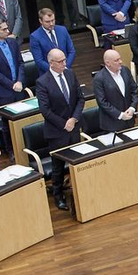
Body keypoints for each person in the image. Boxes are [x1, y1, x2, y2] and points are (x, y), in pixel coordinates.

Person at [36, 49, 85, 211]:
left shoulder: (70, 74)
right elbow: (45, 110)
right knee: (58, 167)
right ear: (51, 63)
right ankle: (58, 195)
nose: (65, 63)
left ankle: (79, 191)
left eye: (64, 60)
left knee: (76, 161)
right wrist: (64, 123)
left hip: (74, 127)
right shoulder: (43, 82)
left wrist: (73, 119)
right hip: (57, 131)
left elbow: (80, 99)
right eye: (60, 61)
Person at [93, 49, 138, 132]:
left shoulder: (125, 70)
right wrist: (120, 115)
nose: (120, 62)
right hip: (112, 124)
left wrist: (132, 108)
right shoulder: (99, 78)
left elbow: (134, 90)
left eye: (120, 58)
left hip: (129, 120)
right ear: (108, 63)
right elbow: (102, 102)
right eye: (116, 60)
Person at [0, 20, 27, 106]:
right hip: (4, 92)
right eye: (4, 29)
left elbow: (20, 63)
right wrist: (12, 85)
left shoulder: (13, 42)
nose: (7, 31)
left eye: (7, 28)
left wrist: (19, 81)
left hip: (19, 87)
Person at [29, 8, 75, 77]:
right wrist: (55, 71)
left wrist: (65, 67)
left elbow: (71, 51)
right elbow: (39, 60)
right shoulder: (35, 37)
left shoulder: (62, 30)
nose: (51, 24)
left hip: (66, 71)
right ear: (40, 21)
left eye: (53, 20)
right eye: (47, 22)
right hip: (48, 75)